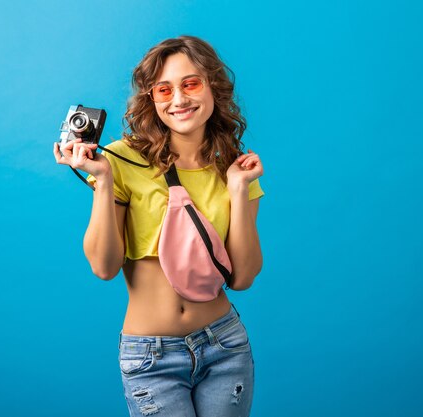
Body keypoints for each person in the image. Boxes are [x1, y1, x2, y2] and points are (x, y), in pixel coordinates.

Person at [53, 35, 264, 417]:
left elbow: (243, 278)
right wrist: (102, 182)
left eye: (191, 84)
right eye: (164, 89)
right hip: (152, 358)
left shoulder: (235, 167)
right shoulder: (122, 159)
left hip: (225, 346)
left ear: (213, 86)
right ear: (152, 98)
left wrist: (238, 189)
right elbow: (104, 268)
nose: (179, 100)